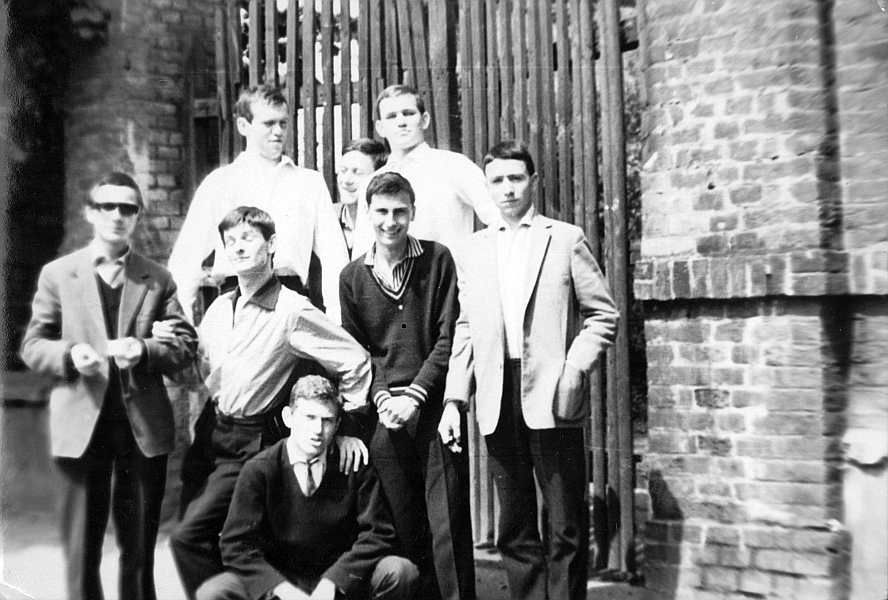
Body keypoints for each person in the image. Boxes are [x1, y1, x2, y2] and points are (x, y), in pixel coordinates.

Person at [438, 141, 619, 600]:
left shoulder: (564, 239)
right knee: (514, 525)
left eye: (516, 178)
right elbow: (465, 326)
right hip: (497, 394)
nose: (507, 189)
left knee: (565, 522)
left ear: (533, 182)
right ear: (487, 187)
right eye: (497, 180)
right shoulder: (473, 249)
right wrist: (455, 398)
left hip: (552, 394)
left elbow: (603, 315)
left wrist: (574, 367)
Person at [168, 206, 372, 599]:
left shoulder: (291, 310)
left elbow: (355, 360)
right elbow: (199, 376)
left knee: (188, 538)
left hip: (251, 441)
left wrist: (348, 426)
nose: (238, 247)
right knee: (211, 537)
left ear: (272, 244)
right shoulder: (220, 307)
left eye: (248, 238)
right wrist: (175, 345)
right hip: (211, 433)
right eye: (230, 242)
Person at [19, 172, 197, 600]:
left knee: (139, 549)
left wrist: (144, 349)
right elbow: (33, 345)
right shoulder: (59, 274)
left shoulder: (157, 278)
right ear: (90, 213)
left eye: (128, 208)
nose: (117, 215)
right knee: (82, 548)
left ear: (137, 216)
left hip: (141, 428)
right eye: (107, 206)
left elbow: (184, 345)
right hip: (81, 425)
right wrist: (69, 355)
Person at [339, 173, 474, 600]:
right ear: (368, 213)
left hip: (433, 409)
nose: (390, 221)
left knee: (448, 525)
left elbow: (447, 338)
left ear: (413, 212)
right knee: (405, 528)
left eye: (400, 211)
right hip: (385, 415)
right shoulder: (352, 277)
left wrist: (415, 396)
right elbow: (358, 352)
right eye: (381, 211)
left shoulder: (437, 259)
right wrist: (383, 399)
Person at [195, 375, 419, 600]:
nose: (317, 430)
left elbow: (378, 533)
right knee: (214, 592)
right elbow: (236, 544)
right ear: (288, 417)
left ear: (337, 425)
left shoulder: (353, 464)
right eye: (309, 417)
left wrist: (334, 581)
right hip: (281, 581)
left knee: (399, 571)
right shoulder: (260, 469)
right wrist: (281, 589)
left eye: (327, 420)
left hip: (340, 579)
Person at [168, 84, 348, 323]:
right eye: (268, 123)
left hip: (290, 302)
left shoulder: (309, 182)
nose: (278, 131)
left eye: (283, 123)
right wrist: (183, 326)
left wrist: (338, 319)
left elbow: (334, 256)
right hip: (235, 302)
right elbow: (186, 257)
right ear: (244, 126)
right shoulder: (220, 182)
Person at [350, 84, 497, 259]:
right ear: (380, 128)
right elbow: (363, 249)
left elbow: (499, 218)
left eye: (408, 113)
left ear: (425, 119)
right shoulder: (371, 182)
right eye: (391, 116)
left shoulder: (454, 165)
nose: (401, 122)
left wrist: (470, 260)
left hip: (447, 274)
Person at [333, 137, 388, 257]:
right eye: (343, 171)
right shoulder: (327, 216)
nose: (346, 180)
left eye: (357, 172)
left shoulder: (387, 223)